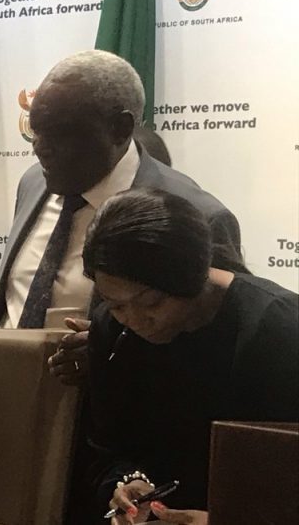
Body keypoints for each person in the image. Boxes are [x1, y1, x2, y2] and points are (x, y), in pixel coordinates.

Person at [0, 50, 242, 386]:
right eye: (37, 132)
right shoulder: (34, 181)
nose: (39, 148)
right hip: (7, 394)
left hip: (115, 413)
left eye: (60, 133)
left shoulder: (200, 217)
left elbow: (221, 351)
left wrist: (119, 357)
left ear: (120, 128)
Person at [82, 188, 298, 524]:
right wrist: (126, 484)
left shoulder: (277, 328)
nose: (136, 321)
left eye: (152, 302)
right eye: (117, 305)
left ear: (192, 275)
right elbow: (107, 448)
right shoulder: (112, 331)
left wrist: (226, 519)